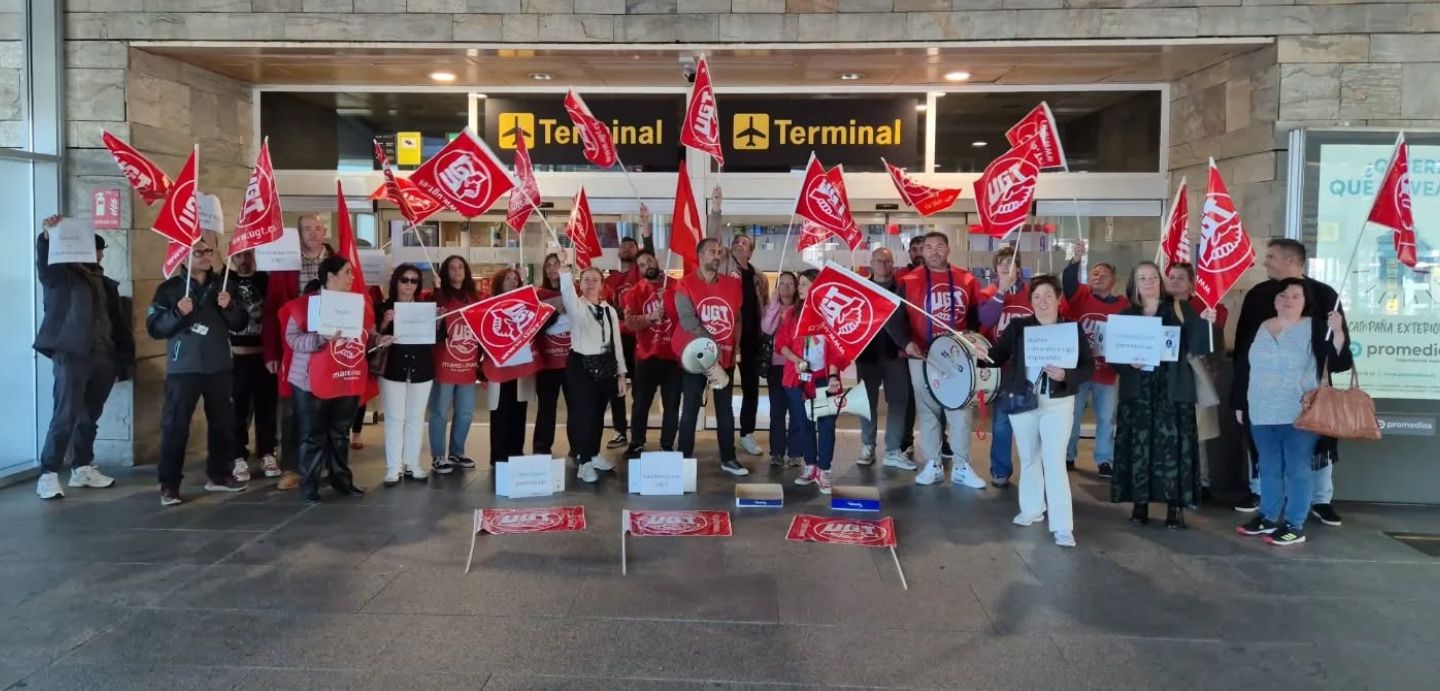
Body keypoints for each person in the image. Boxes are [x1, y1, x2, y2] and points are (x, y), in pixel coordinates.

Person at [1231, 239, 1351, 526]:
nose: (1265, 261)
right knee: (1267, 462)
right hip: (1262, 407)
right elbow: (1242, 354)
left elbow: (1337, 359)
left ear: (1291, 261)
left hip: (1303, 405)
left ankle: (1316, 504)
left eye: (1271, 256)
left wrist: (1338, 335)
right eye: (1283, 297)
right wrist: (1239, 399)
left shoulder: (1325, 297)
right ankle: (1266, 507)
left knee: (1306, 459)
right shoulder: (1258, 297)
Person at [970, 275, 1095, 548]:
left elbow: (1088, 367)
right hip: (1023, 402)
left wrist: (1066, 374)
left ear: (1059, 299)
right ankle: (1031, 508)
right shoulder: (1018, 327)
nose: (1042, 302)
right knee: (1028, 457)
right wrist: (982, 353)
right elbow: (997, 356)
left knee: (1054, 461)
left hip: (1058, 404)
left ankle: (1062, 525)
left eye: (1048, 296)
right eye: (1037, 297)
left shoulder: (1072, 330)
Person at [32, 216, 134, 500]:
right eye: (98, 249)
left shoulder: (104, 282)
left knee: (90, 415)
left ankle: (82, 466)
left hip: (103, 355)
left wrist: (122, 359)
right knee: (65, 415)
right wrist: (46, 237)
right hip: (72, 354)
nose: (101, 254)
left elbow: (117, 323)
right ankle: (49, 472)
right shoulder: (59, 276)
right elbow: (44, 260)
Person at [146, 231, 250, 505]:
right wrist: (176, 313)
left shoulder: (224, 285)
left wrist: (229, 308)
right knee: (175, 425)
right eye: (199, 253)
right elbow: (154, 328)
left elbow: (240, 322)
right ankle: (169, 484)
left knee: (223, 424)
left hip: (219, 365)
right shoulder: (169, 290)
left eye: (208, 252)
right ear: (184, 257)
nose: (206, 257)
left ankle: (220, 475)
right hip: (184, 367)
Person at [1110, 261, 1215, 529]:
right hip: (1139, 394)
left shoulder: (1180, 311)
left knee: (1173, 451)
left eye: (1153, 277)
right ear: (1134, 284)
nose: (1148, 282)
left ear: (1161, 281)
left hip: (1172, 392)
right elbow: (1113, 357)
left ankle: (1174, 508)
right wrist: (1127, 363)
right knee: (1139, 448)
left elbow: (1199, 345)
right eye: (1141, 277)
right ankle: (1140, 504)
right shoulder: (1126, 316)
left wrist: (1208, 323)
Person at [283, 256, 386, 503]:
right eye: (347, 272)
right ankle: (310, 485)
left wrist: (378, 341)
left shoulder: (357, 305)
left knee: (340, 433)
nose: (353, 277)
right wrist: (319, 339)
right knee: (313, 435)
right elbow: (293, 339)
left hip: (345, 376)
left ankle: (341, 481)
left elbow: (364, 337)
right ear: (330, 276)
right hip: (311, 380)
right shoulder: (304, 305)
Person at [890, 232, 987, 488]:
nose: (934, 251)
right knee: (928, 410)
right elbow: (893, 317)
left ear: (948, 249)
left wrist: (972, 341)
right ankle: (932, 464)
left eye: (939, 246)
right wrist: (906, 342)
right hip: (921, 356)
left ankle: (962, 466)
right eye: (928, 247)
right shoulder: (909, 280)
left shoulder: (967, 279)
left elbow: (977, 315)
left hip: (957, 357)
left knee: (960, 411)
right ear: (922, 251)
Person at [262, 213, 334, 491]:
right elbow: (270, 311)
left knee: (329, 407)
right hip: (293, 345)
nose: (313, 233)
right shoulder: (285, 264)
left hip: (330, 344)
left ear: (324, 230)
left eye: (317, 228)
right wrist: (271, 352)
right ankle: (292, 467)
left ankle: (327, 463)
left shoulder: (338, 262)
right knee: (291, 410)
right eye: (307, 229)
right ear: (300, 233)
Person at [675, 238, 749, 477]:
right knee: (690, 409)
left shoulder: (732, 285)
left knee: (725, 410)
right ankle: (683, 458)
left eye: (719, 252)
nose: (716, 256)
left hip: (725, 358)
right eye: (711, 252)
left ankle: (728, 458)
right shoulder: (685, 284)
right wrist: (711, 351)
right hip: (697, 357)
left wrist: (735, 347)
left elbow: (736, 319)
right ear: (700, 255)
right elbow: (688, 321)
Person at [777, 270, 845, 494]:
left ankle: (824, 471)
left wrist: (834, 375)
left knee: (826, 426)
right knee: (803, 423)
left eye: (806, 284)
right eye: (801, 284)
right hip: (797, 379)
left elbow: (837, 350)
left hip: (825, 379)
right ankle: (811, 467)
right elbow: (782, 344)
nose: (801, 288)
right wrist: (797, 361)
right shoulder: (791, 314)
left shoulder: (830, 315)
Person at [1165, 261, 1227, 502]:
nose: (1175, 280)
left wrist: (1212, 368)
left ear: (1192, 284)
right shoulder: (1158, 308)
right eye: (1171, 276)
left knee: (1197, 433)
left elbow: (1214, 344)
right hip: (1167, 377)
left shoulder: (1206, 309)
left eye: (1181, 277)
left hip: (1194, 375)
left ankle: (1201, 482)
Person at [1061, 261, 1129, 475]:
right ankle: (1067, 455)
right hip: (1079, 370)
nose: (1097, 276)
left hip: (1106, 373)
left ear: (1114, 281)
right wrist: (1074, 261)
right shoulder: (1080, 296)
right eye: (1094, 273)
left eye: (1103, 274)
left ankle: (1104, 459)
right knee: (1072, 415)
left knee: (1106, 418)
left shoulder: (1123, 306)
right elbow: (1069, 282)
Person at [561, 266, 627, 483]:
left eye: (595, 279)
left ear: (602, 284)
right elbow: (568, 295)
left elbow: (617, 344)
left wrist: (620, 374)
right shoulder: (577, 306)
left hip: (605, 365)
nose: (590, 283)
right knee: (584, 414)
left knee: (598, 413)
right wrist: (564, 271)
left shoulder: (609, 310)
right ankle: (584, 461)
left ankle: (594, 453)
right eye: (586, 279)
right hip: (581, 364)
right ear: (580, 284)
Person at [977, 246, 1035, 487]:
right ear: (994, 267)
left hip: (1029, 368)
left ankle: (1033, 471)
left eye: (1010, 262)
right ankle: (1000, 470)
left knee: (1031, 421)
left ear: (1019, 268)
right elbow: (986, 320)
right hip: (1002, 369)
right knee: (1001, 423)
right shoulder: (987, 292)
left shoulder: (1033, 293)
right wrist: (1000, 291)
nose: (1005, 266)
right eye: (1001, 262)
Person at [855, 248, 915, 471]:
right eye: (878, 260)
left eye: (887, 261)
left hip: (895, 355)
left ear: (893, 264)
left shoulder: (903, 290)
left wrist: (906, 344)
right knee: (866, 403)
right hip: (867, 356)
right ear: (870, 263)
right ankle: (867, 446)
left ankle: (892, 450)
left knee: (899, 402)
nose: (883, 264)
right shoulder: (860, 288)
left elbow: (910, 319)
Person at [375, 264, 435, 486]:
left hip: (421, 366)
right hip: (393, 368)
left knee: (416, 418)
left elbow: (437, 337)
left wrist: (437, 321)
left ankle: (412, 464)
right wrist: (384, 323)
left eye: (414, 281)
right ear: (396, 282)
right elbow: (373, 338)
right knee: (394, 418)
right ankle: (393, 467)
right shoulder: (382, 307)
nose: (409, 284)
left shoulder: (425, 308)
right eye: (404, 280)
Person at [622, 250, 682, 458]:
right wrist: (650, 316)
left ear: (656, 261)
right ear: (638, 269)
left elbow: (688, 315)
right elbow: (629, 322)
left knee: (672, 405)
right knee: (640, 404)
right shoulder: (636, 292)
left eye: (649, 260)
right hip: (646, 357)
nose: (646, 265)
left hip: (674, 357)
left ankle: (667, 445)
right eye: (641, 264)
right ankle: (637, 443)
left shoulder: (677, 286)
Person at [226, 248, 277, 483]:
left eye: (248, 255)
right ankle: (238, 456)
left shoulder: (264, 279)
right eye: (238, 256)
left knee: (266, 407)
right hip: (237, 357)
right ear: (231, 257)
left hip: (264, 356)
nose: (243, 260)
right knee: (238, 410)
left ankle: (267, 452)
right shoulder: (225, 280)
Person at [429, 255, 481, 475]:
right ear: (445, 272)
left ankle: (457, 452)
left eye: (460, 267)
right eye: (451, 268)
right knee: (440, 412)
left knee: (466, 412)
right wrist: (437, 292)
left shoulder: (475, 297)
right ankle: (438, 456)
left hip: (467, 364)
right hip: (444, 363)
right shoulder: (438, 296)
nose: (457, 271)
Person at [482, 268, 540, 467]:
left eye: (515, 279)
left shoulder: (525, 305)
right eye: (508, 278)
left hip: (520, 367)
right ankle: (498, 456)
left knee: (519, 409)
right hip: (498, 366)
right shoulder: (488, 305)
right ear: (499, 281)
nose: (512, 281)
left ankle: (516, 452)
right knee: (500, 411)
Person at [602, 235, 645, 451]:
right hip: (616, 339)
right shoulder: (610, 280)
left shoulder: (640, 273)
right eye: (623, 246)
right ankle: (620, 430)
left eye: (631, 245)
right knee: (615, 388)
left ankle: (638, 434)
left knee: (639, 388)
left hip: (638, 339)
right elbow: (602, 305)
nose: (627, 248)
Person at [730, 234, 769, 457]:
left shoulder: (759, 277)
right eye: (736, 241)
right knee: (723, 389)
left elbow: (764, 305)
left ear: (751, 251)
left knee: (750, 389)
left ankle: (747, 433)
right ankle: (725, 436)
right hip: (729, 339)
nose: (739, 244)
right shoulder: (726, 271)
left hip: (752, 340)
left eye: (744, 242)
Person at [761, 271, 803, 468]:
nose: (786, 287)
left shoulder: (801, 308)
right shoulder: (772, 307)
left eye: (790, 284)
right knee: (777, 411)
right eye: (782, 283)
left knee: (797, 410)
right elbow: (767, 329)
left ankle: (795, 451)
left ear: (796, 288)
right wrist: (774, 306)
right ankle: (777, 451)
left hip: (796, 365)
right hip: (776, 365)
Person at [533, 253, 569, 456]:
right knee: (547, 408)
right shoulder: (538, 295)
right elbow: (535, 325)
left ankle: (579, 447)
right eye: (548, 265)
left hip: (572, 360)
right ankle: (541, 447)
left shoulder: (574, 291)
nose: (552, 268)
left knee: (577, 407)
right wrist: (555, 312)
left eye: (556, 264)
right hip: (548, 361)